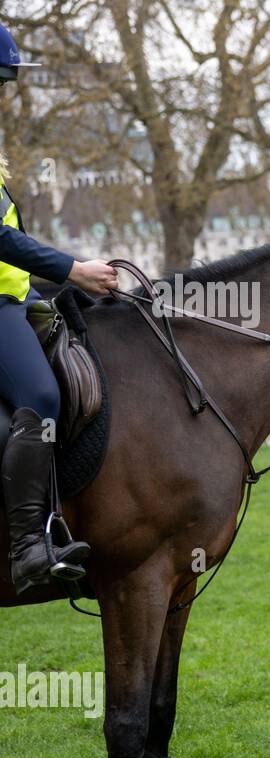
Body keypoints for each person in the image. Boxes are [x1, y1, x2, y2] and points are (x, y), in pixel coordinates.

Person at [0, 23, 119, 593]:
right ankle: (26, 546)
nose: (3, 93)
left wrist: (57, 286)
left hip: (16, 296)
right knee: (43, 396)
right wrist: (73, 268)